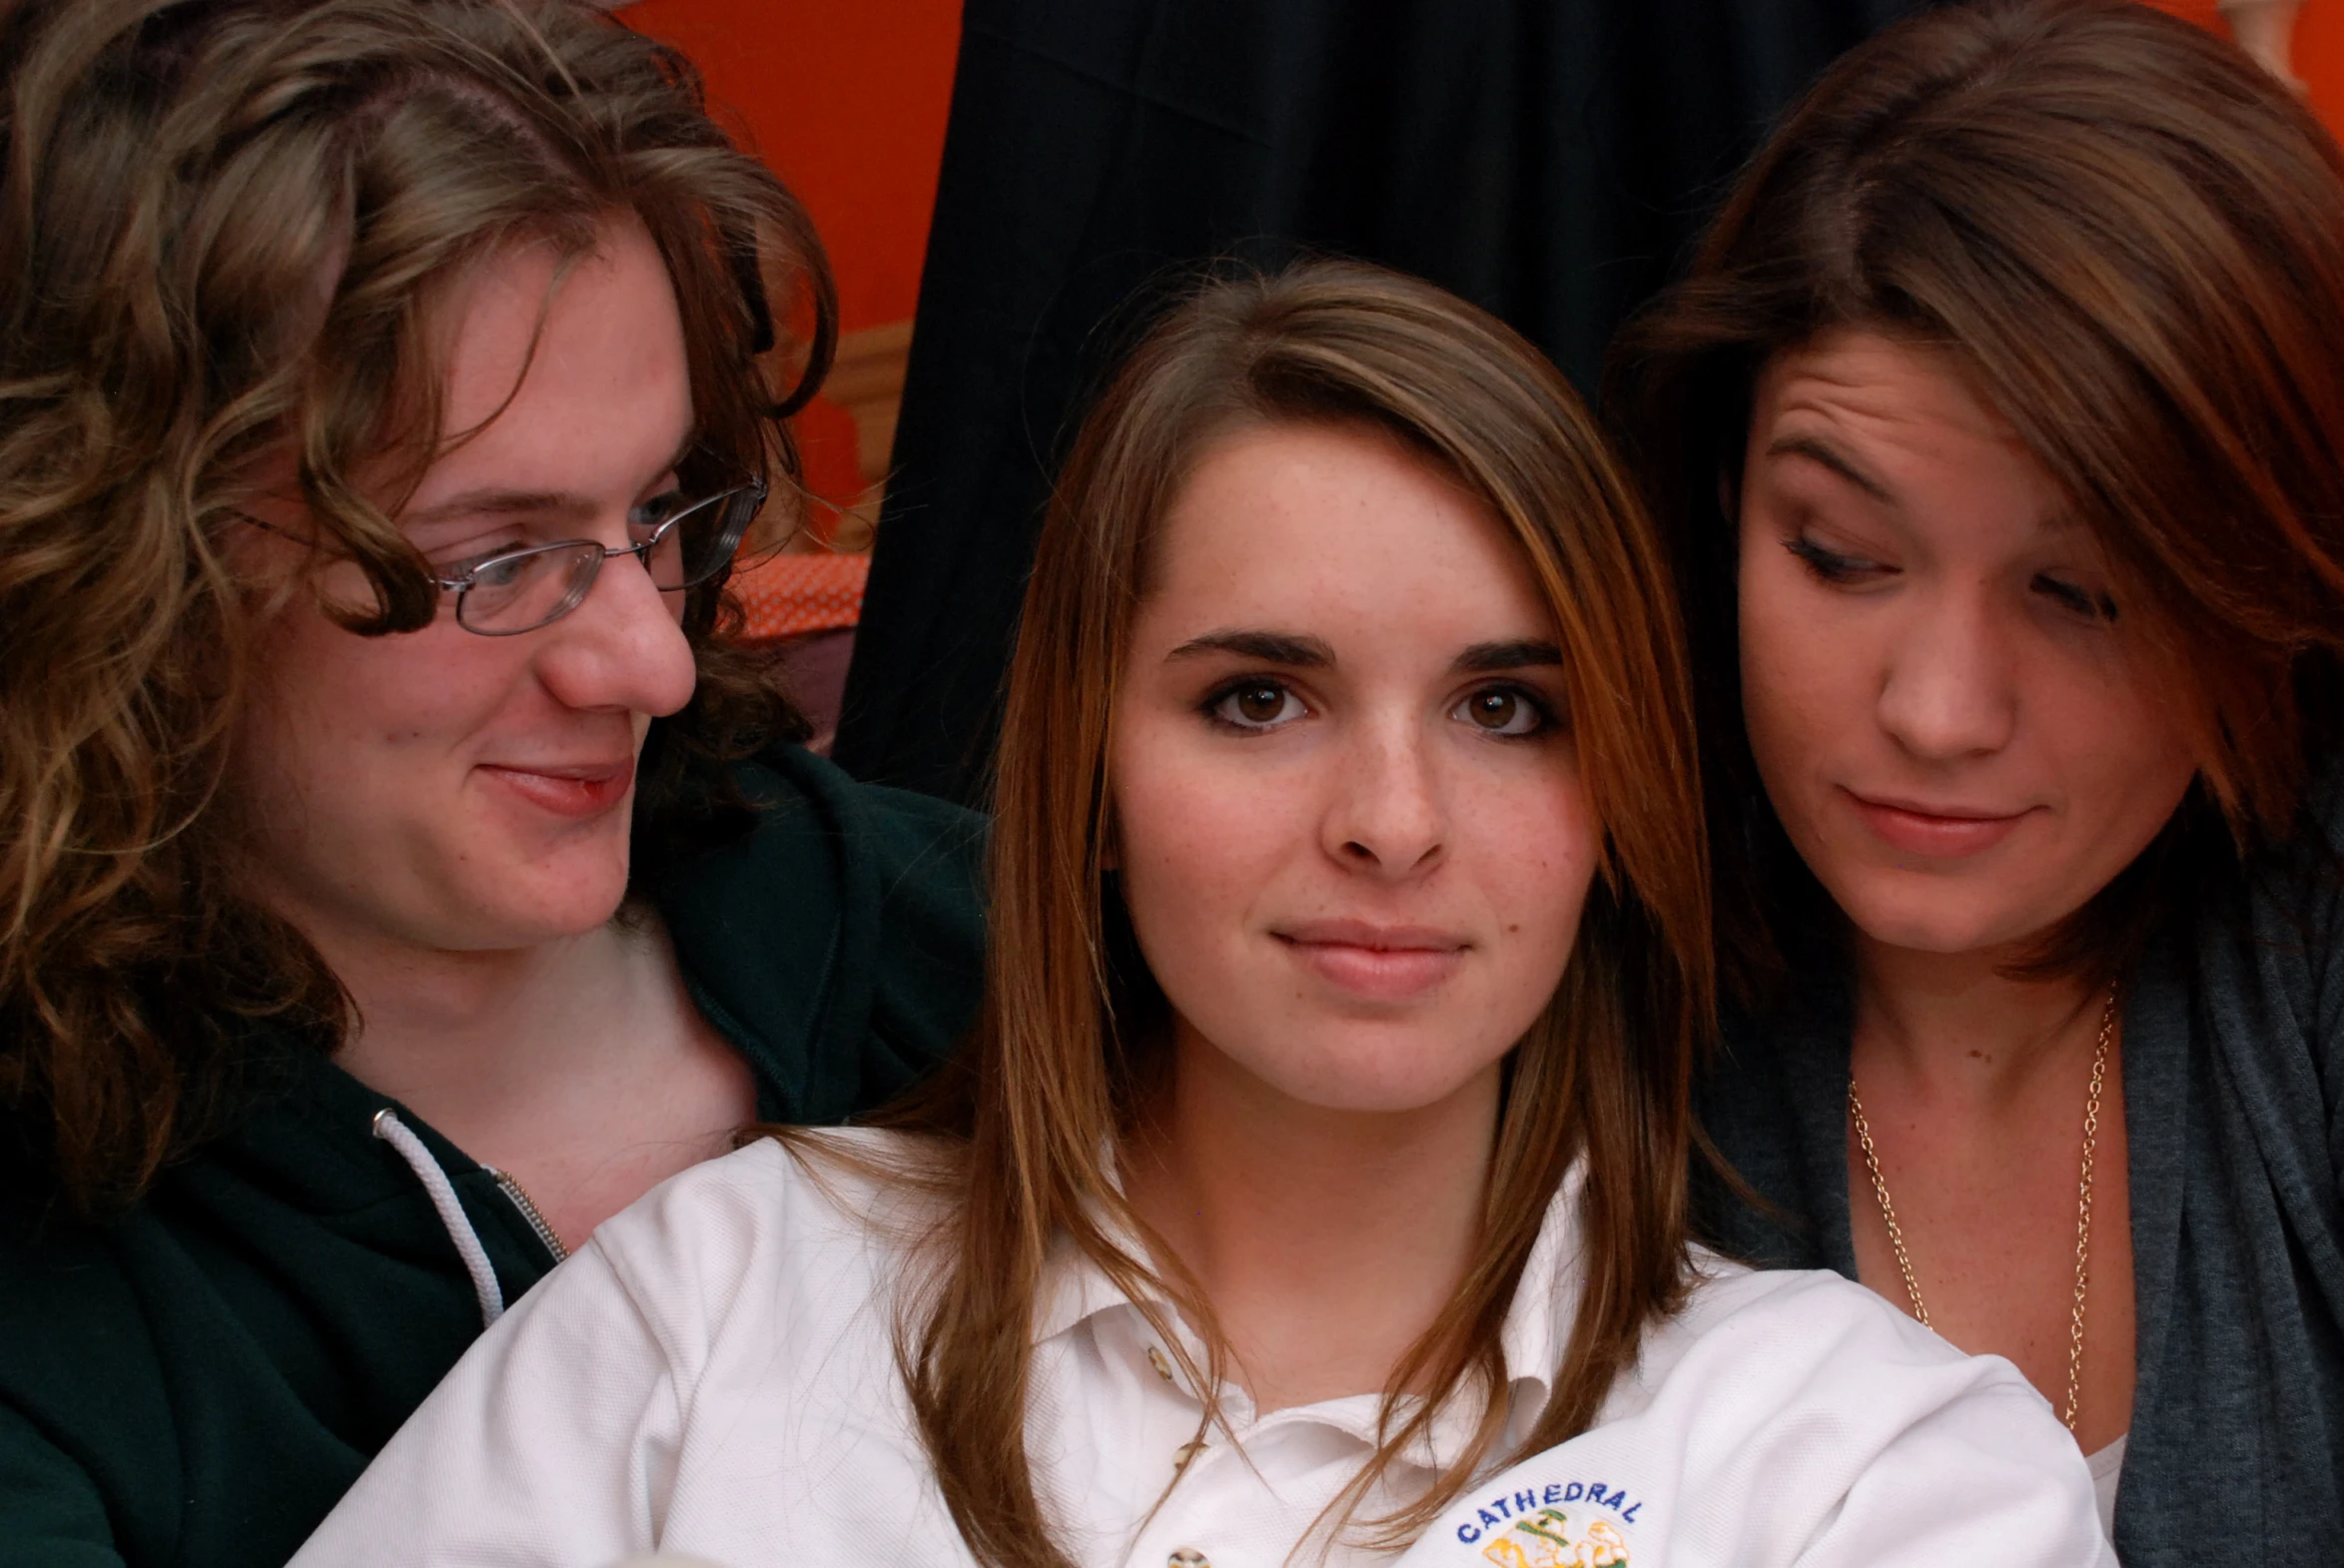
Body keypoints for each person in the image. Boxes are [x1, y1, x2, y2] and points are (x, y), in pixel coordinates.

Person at [293, 261, 2107, 1568]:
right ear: (1084, 770)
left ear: (1613, 795)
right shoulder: (716, 1313)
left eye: (1505, 708)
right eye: (1259, 697)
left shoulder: (1867, 1468)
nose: (1390, 825)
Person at [0, 3, 984, 1564]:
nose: (651, 665)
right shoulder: (67, 1321)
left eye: (659, 510)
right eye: (497, 559)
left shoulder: (975, 958)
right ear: (129, 582)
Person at [1603, 1, 2344, 1560]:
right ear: (1726, 502)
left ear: (2264, 593)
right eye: (1840, 555)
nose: (1937, 712)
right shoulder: (1557, 971)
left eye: (2079, 592)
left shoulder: (2305, 952)